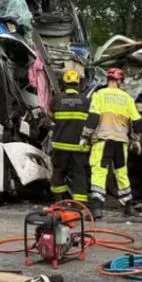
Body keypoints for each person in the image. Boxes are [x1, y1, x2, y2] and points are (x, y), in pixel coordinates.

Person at [81, 67, 142, 219]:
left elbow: (94, 117)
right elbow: (137, 121)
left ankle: (96, 209)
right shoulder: (127, 98)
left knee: (99, 172)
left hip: (103, 140)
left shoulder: (100, 94)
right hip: (121, 142)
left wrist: (85, 136)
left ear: (108, 80)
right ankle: (128, 207)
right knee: (121, 174)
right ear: (120, 81)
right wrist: (136, 139)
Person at [47, 69, 91, 206]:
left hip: (60, 144)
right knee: (80, 173)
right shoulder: (86, 101)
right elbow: (92, 120)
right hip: (79, 146)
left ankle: (59, 200)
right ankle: (80, 203)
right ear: (78, 84)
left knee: (59, 171)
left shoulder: (57, 99)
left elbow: (50, 115)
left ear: (64, 83)